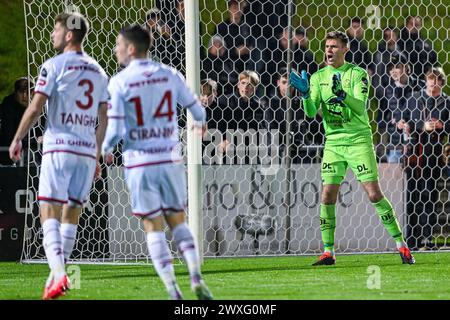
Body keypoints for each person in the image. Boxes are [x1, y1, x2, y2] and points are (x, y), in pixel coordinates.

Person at [101, 24, 212, 300]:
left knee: (153, 226)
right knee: (178, 221)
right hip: (169, 158)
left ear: (131, 48)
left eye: (118, 45)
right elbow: (198, 110)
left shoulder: (119, 82)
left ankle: (174, 291)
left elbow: (114, 130)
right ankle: (196, 278)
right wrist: (199, 124)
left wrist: (104, 149)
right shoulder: (170, 74)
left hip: (140, 163)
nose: (116, 50)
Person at [289, 31, 415, 265]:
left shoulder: (357, 74)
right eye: (326, 46)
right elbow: (309, 112)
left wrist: (342, 95)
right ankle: (329, 252)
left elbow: (360, 107)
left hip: (358, 140)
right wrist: (305, 94)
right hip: (334, 142)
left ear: (345, 49)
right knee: (327, 196)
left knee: (374, 193)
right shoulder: (318, 77)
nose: (329, 50)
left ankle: (401, 244)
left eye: (334, 46)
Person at [9, 13, 109, 299]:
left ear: (68, 35)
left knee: (48, 209)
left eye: (56, 29)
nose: (53, 34)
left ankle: (60, 273)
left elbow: (36, 106)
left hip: (58, 146)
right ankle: (56, 278)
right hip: (85, 150)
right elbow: (104, 116)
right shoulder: (98, 71)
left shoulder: (52, 66)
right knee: (72, 212)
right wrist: (97, 154)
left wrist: (18, 137)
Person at [401, 67, 450, 250]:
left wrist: (441, 125)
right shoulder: (414, 98)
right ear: (426, 80)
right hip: (414, 153)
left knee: (430, 195)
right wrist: (416, 125)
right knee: (412, 196)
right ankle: (411, 239)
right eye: (430, 79)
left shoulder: (447, 103)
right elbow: (404, 120)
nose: (433, 83)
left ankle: (427, 238)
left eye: (437, 80)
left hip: (435, 154)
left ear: (442, 83)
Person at [374, 54, 420, 163]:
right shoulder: (388, 91)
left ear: (406, 67)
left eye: (397, 67)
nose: (393, 71)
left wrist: (409, 123)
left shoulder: (418, 87)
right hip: (396, 146)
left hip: (417, 145)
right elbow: (384, 117)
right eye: (390, 68)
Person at [217, 70, 266, 164]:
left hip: (249, 152)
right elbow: (217, 126)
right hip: (226, 151)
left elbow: (260, 132)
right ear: (238, 85)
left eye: (250, 84)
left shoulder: (258, 107)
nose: (246, 87)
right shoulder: (223, 101)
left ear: (255, 88)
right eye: (243, 83)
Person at [0, 77, 34, 165]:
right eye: (21, 92)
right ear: (15, 92)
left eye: (28, 92)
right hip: (7, 153)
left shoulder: (37, 107)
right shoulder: (8, 106)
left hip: (31, 152)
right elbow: (9, 134)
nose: (25, 96)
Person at [398, 16, 438, 81]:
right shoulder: (399, 44)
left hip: (423, 84)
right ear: (406, 25)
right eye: (411, 24)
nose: (414, 27)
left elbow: (435, 64)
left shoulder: (426, 46)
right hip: (404, 83)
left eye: (417, 25)